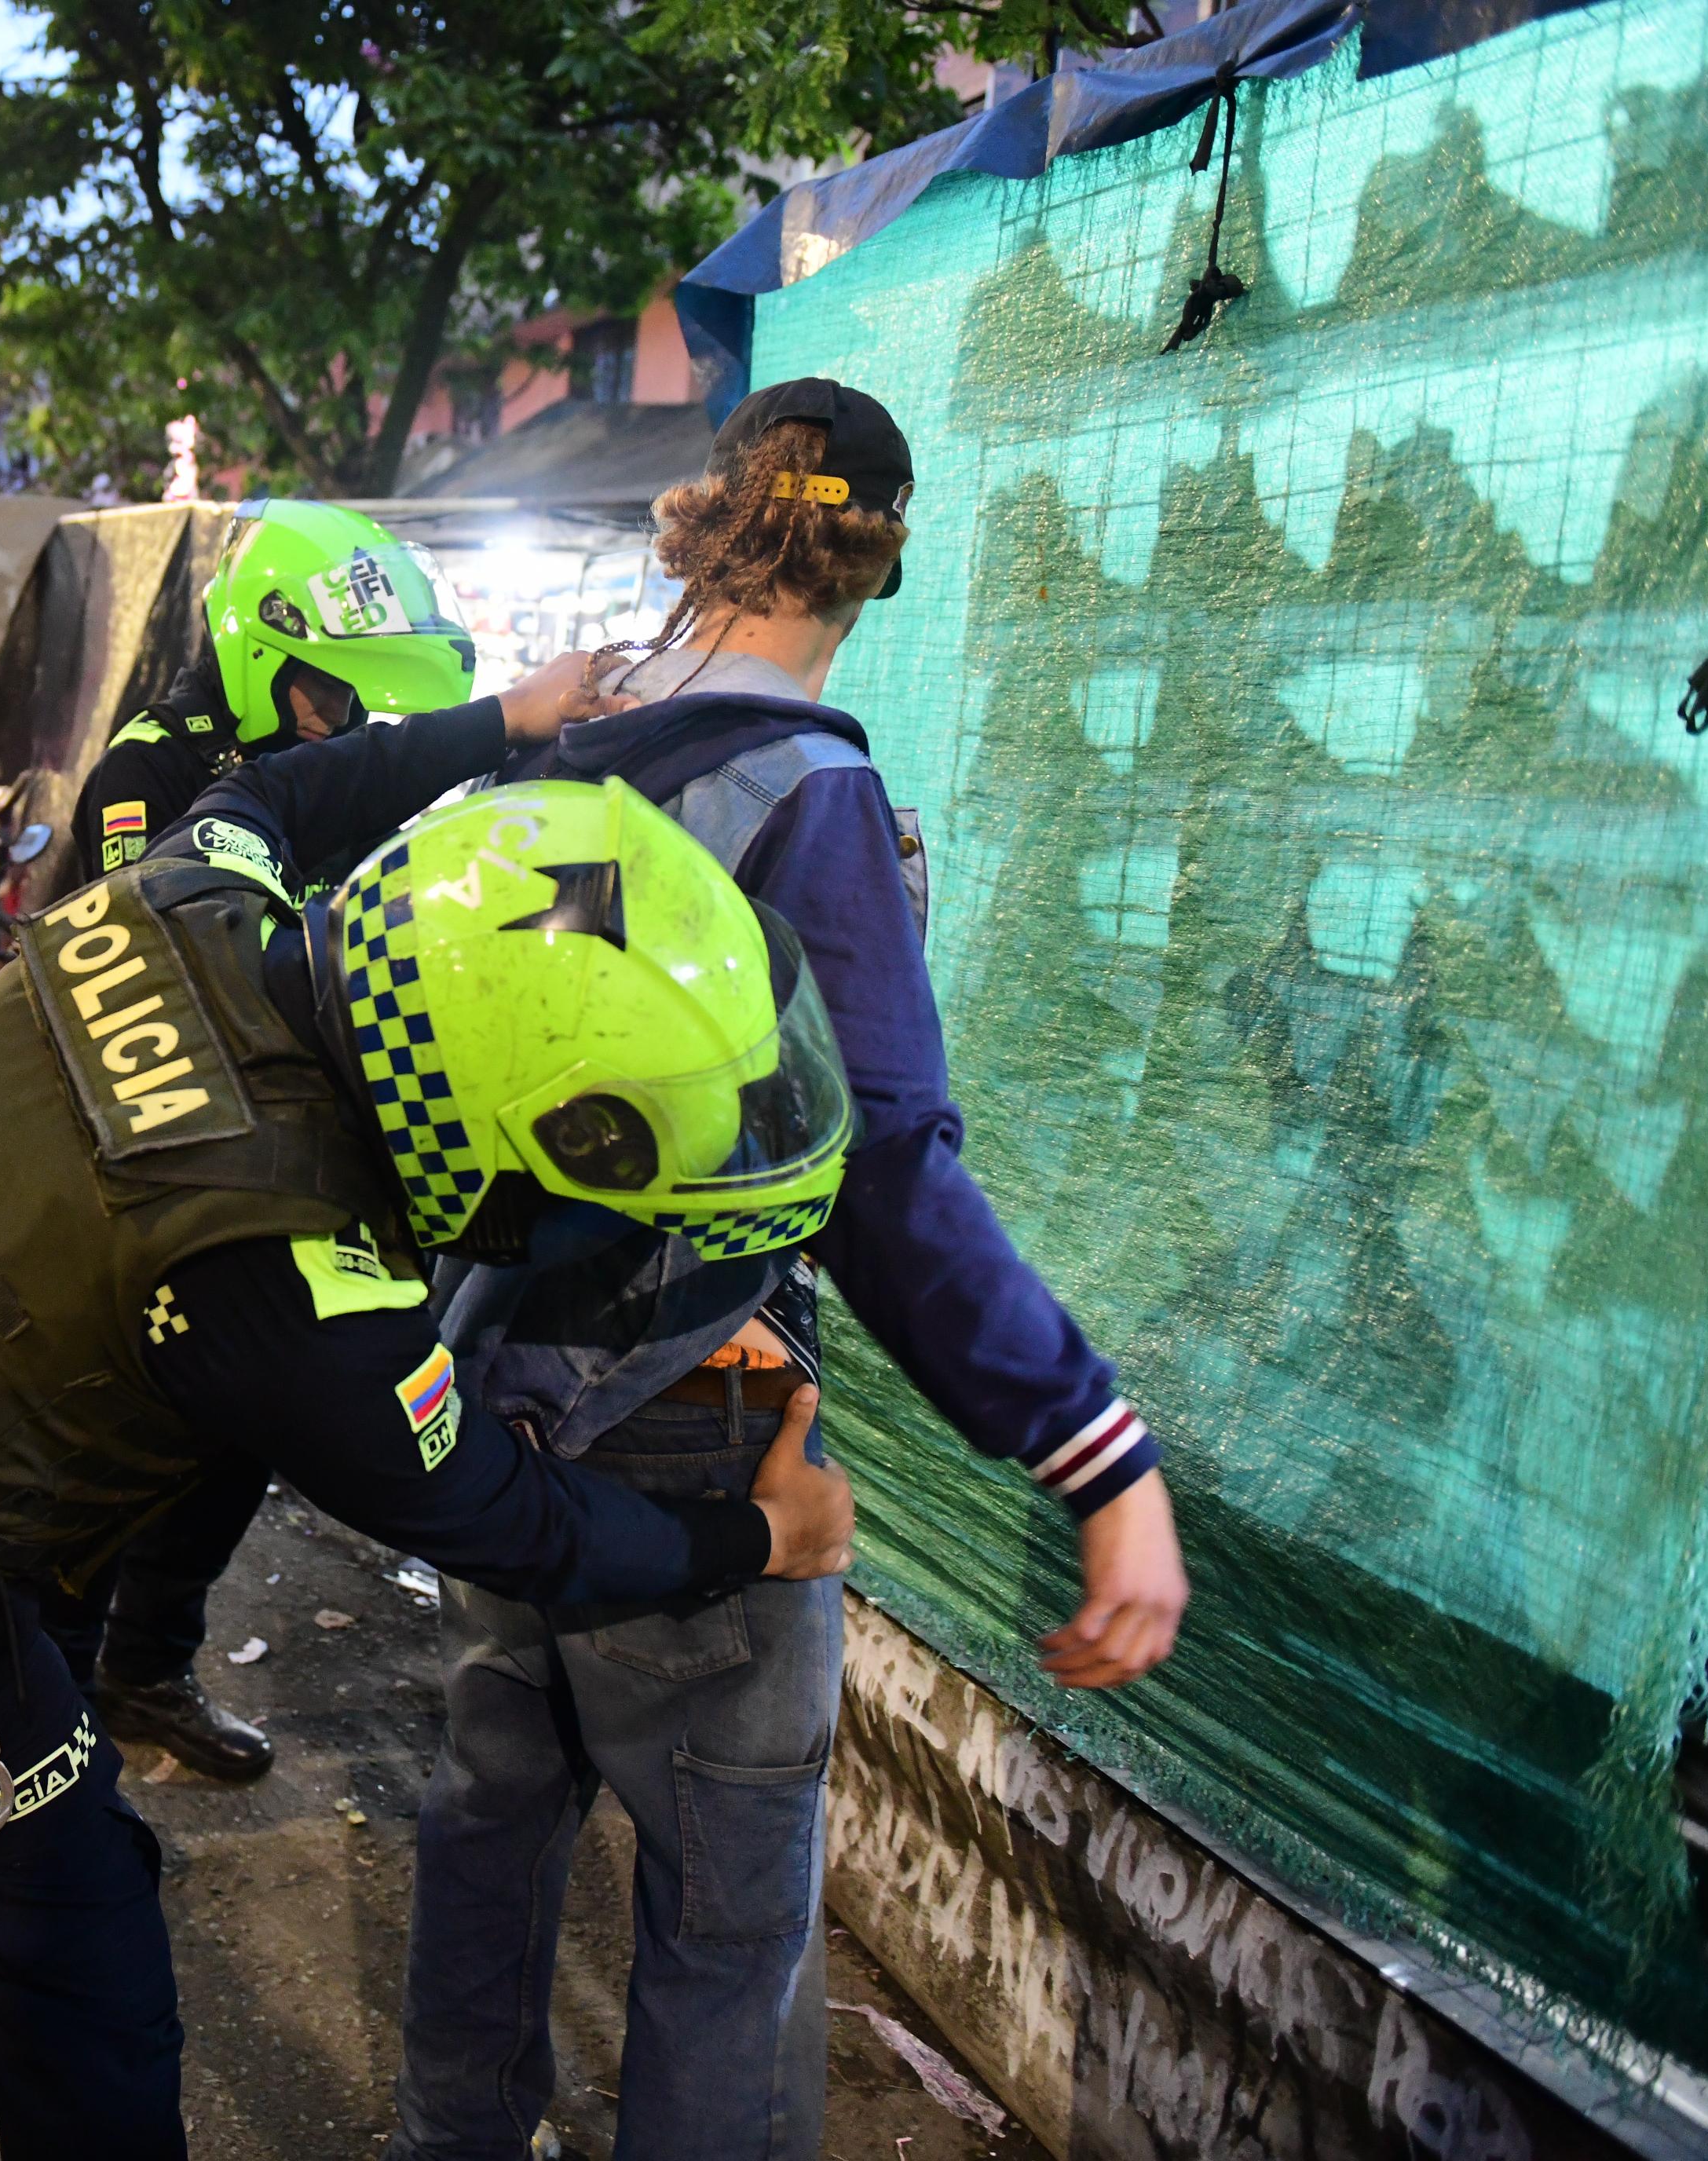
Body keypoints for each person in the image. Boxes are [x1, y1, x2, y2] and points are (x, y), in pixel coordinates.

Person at [0, 645, 861, 2161]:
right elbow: (505, 1519)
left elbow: (272, 786)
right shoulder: (284, 1269)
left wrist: (502, 723)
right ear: (476, 1112)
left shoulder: (188, 892)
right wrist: (751, 1537)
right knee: (96, 2020)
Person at [386, 379, 1193, 2161]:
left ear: (703, 519)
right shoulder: (805, 797)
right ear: (877, 556)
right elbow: (881, 1171)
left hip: (484, 1386)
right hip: (704, 1418)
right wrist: (1097, 1453)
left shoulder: (557, 760)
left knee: (486, 1825)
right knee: (721, 1920)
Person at [44, 499, 482, 1783]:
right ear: (261, 654)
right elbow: (135, 984)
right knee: (112, 1452)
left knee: (237, 1441)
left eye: (355, 704)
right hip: (147, 1156)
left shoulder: (310, 754)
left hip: (263, 1147)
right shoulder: (147, 777)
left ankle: (146, 1671)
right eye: (326, 697)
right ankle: (51, 1717)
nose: (342, 722)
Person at [68, 499, 475, 886]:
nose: (340, 711)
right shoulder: (145, 768)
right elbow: (152, 942)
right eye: (328, 682)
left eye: (356, 689)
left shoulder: (318, 759)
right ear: (261, 652)